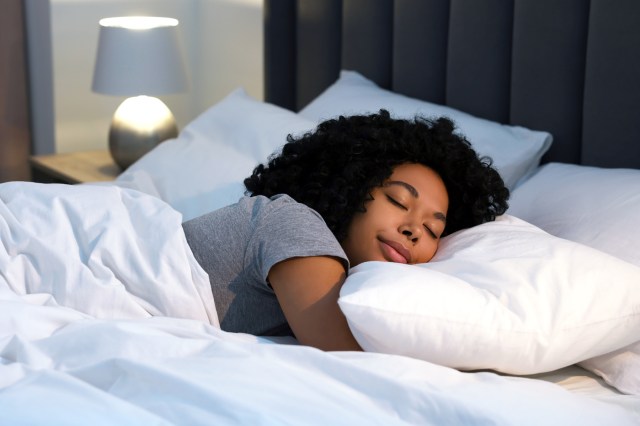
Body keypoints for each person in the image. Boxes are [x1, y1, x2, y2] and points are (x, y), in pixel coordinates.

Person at [182, 110, 509, 351]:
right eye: (397, 200)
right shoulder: (292, 223)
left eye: (432, 229)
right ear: (351, 185)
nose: (413, 230)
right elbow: (344, 355)